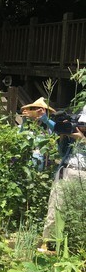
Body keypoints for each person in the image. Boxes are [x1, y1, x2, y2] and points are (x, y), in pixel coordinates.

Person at [40, 104, 86, 248]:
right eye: (81, 123)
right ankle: (48, 243)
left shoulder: (79, 135)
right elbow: (61, 151)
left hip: (83, 175)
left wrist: (81, 137)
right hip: (66, 171)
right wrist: (47, 120)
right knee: (56, 207)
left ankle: (73, 245)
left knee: (79, 212)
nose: (82, 126)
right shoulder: (72, 132)